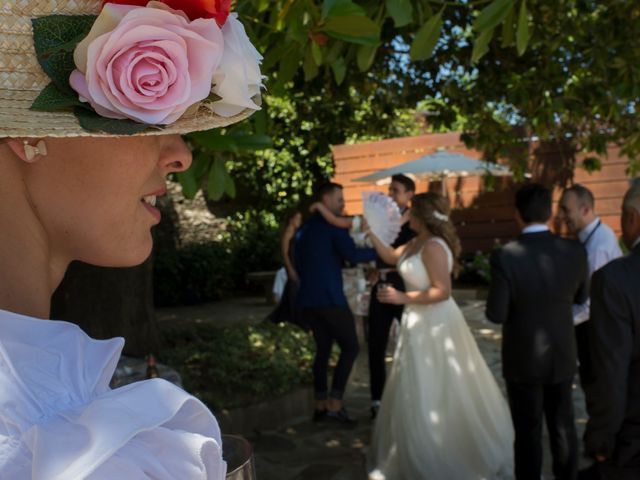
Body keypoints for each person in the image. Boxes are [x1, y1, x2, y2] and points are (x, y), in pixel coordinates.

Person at [0, 1, 262, 477]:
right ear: (26, 136)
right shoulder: (31, 436)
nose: (180, 154)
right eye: (145, 113)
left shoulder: (40, 414)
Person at [367, 192, 514, 479]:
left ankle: (442, 452)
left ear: (421, 214)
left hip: (435, 324)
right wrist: (372, 231)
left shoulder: (433, 246)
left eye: (410, 211)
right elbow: (388, 255)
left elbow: (442, 291)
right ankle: (415, 446)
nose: (405, 216)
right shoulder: (415, 242)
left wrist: (401, 297)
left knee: (437, 385)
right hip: (416, 322)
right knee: (415, 386)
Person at [486, 183, 589, 480]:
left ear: (517, 214)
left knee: (528, 433)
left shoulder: (506, 256)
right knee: (563, 426)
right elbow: (582, 297)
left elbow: (496, 313)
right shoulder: (574, 250)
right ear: (549, 213)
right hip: (561, 351)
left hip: (522, 359)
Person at [295, 182, 377, 423]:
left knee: (322, 350)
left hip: (307, 300)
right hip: (329, 298)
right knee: (351, 347)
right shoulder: (333, 228)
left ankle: (320, 404)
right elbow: (352, 255)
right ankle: (335, 403)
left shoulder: (304, 229)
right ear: (326, 199)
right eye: (339, 199)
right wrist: (381, 253)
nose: (343, 204)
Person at [581, 180, 640, 480]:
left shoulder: (615, 279)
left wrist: (601, 438)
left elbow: (611, 371)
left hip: (632, 442)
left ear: (631, 218)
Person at [557, 184, 622, 388]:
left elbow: (590, 304)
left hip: (597, 337)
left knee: (595, 390)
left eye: (566, 210)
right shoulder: (597, 235)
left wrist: (558, 321)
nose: (561, 216)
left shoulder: (597, 247)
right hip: (595, 331)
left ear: (585, 210)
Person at [266, 210, 306, 328]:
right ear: (291, 219)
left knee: (292, 292)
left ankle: (291, 316)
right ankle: (294, 317)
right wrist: (290, 269)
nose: (299, 221)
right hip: (292, 266)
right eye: (297, 218)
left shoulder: (296, 232)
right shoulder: (288, 233)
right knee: (294, 291)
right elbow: (285, 254)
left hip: (297, 265)